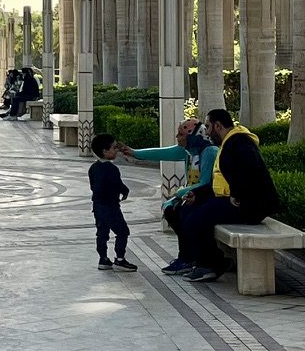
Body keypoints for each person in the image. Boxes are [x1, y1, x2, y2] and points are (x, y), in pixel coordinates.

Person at [182, 108, 280, 283]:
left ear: (218, 126)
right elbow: (220, 181)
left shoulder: (239, 142)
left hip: (249, 205)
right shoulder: (228, 142)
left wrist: (238, 194)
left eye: (208, 126)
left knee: (195, 221)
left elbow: (251, 168)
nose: (207, 132)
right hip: (235, 199)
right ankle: (205, 260)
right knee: (187, 212)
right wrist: (197, 193)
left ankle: (210, 265)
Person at [120, 118, 218, 276]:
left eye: (181, 134)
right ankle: (187, 257)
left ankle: (193, 258)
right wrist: (135, 153)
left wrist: (180, 193)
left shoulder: (209, 152)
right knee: (171, 210)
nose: (177, 137)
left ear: (192, 136)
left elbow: (206, 184)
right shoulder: (190, 151)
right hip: (193, 195)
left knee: (183, 213)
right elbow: (163, 152)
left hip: (207, 196)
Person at [89, 133, 138, 271]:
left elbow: (93, 186)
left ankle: (103, 259)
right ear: (105, 151)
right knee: (122, 231)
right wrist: (125, 191)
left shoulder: (93, 168)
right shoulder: (112, 169)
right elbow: (118, 184)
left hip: (98, 206)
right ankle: (120, 259)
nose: (116, 150)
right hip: (111, 206)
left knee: (102, 233)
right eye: (114, 147)